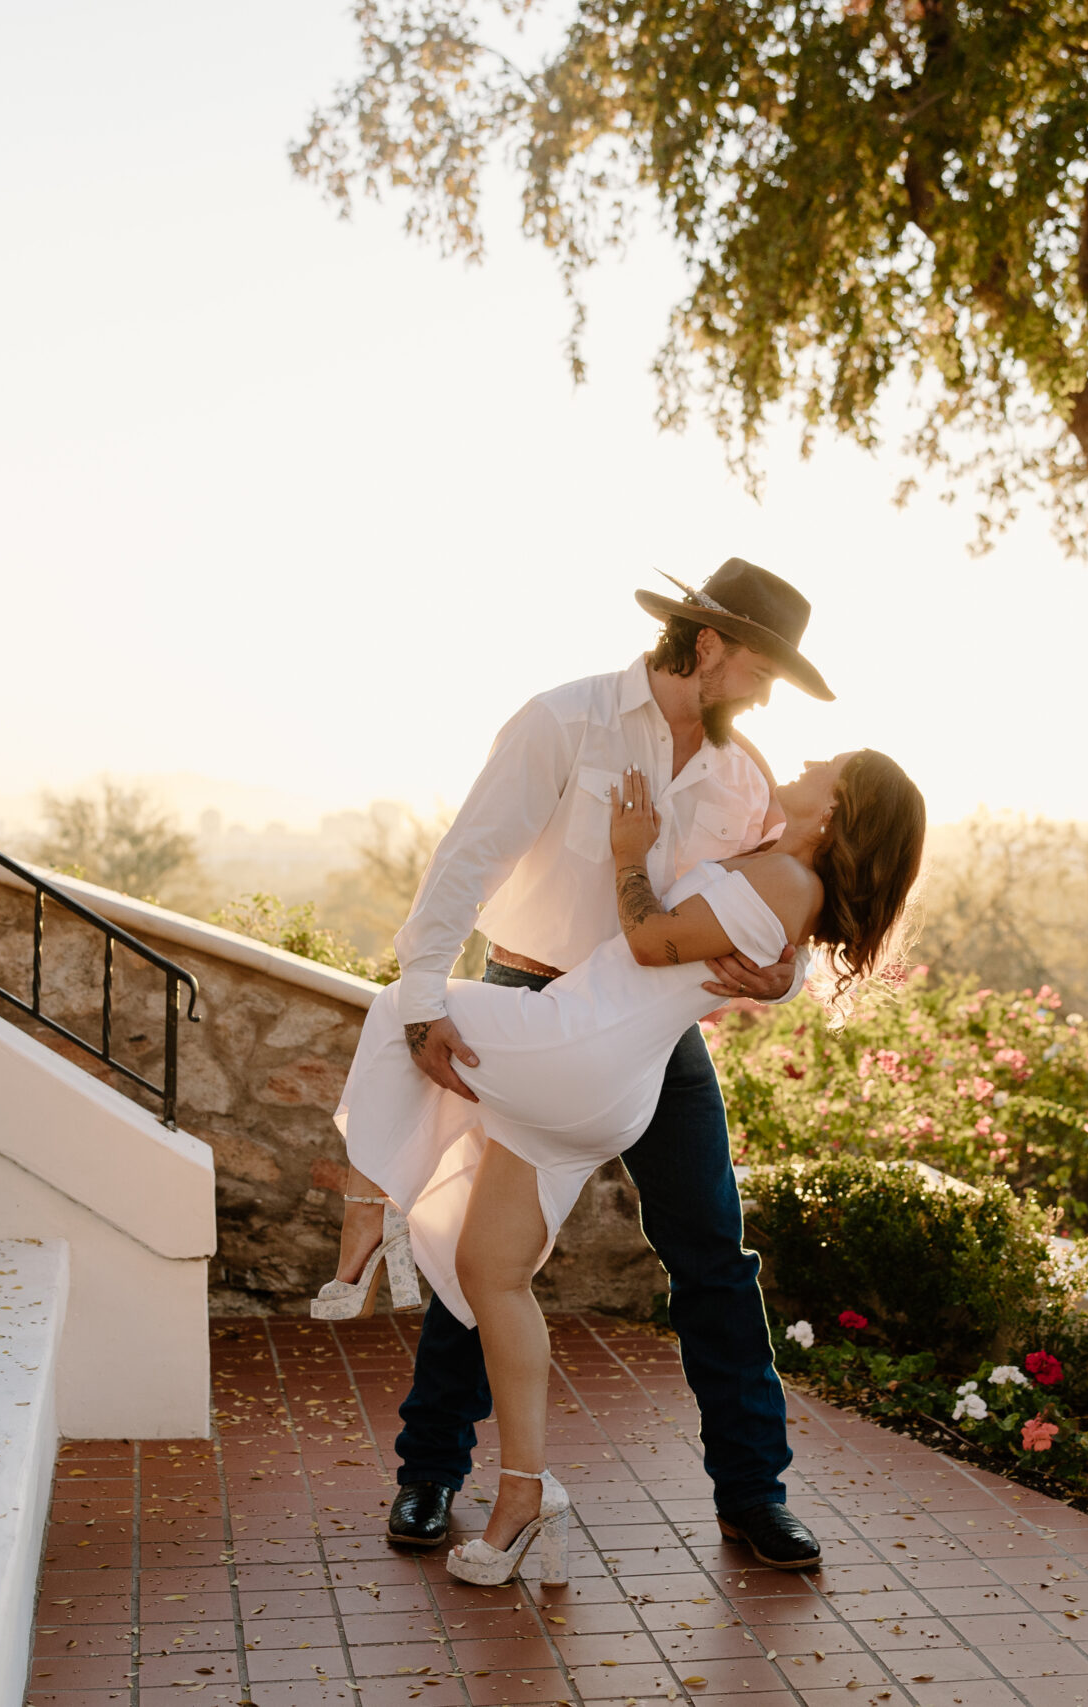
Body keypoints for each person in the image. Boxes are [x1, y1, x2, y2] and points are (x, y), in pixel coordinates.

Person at [310, 558, 895, 1575]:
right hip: (532, 999)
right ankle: (432, 1470)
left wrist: (778, 983)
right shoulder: (563, 722)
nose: (762, 697)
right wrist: (421, 1002)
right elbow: (465, 862)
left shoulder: (746, 778)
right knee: (481, 1249)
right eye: (759, 671)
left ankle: (754, 1493)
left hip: (652, 1036)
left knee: (714, 1255)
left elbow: (774, 916)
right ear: (709, 645)